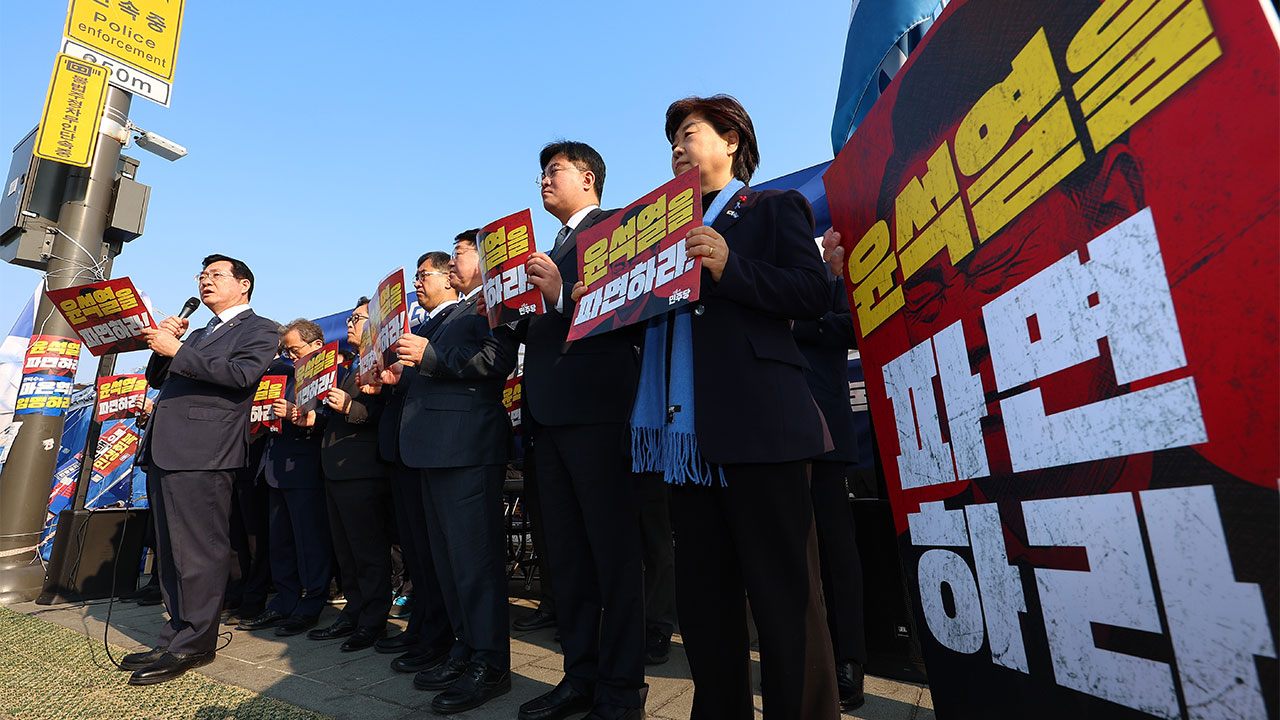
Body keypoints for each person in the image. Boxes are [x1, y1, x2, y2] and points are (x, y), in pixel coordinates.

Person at [599, 95, 839, 717]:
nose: (677, 146)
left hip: (765, 431)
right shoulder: (656, 237)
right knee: (706, 607)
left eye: (689, 132)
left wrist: (732, 267)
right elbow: (638, 325)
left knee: (787, 603)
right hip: (686, 444)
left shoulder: (773, 209)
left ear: (731, 141)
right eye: (672, 139)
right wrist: (595, 300)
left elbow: (814, 291)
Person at [513, 141, 647, 720]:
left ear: (587, 178)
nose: (544, 180)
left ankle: (621, 691)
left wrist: (559, 295)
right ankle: (578, 676)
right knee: (565, 558)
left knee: (612, 556)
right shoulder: (550, 247)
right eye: (542, 173)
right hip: (547, 418)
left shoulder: (621, 229)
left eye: (555, 171)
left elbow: (628, 306)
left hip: (598, 412)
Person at [124, 254, 278, 685]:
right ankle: (174, 633)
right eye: (202, 276)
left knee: (199, 552)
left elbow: (242, 375)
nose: (205, 282)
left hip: (205, 453)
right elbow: (160, 379)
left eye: (215, 275)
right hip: (167, 449)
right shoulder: (203, 329)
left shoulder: (260, 328)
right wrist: (168, 344)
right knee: (172, 553)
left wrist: (181, 350)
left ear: (243, 285)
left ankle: (195, 644)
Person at [384, 230, 518, 714]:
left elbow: (495, 361)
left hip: (466, 448)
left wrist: (431, 357)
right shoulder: (454, 311)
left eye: (459, 252)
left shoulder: (497, 303)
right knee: (447, 563)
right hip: (432, 450)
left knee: (475, 563)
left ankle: (491, 664)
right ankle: (464, 650)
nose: (454, 259)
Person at [287, 299, 393, 652]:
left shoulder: (383, 361)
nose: (350, 324)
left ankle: (374, 620)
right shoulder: (349, 365)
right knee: (346, 552)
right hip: (333, 468)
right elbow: (336, 416)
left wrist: (350, 407)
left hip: (363, 470)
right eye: (349, 318)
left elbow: (385, 414)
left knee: (368, 551)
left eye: (357, 319)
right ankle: (354, 611)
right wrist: (314, 419)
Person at [373, 251, 459, 671]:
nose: (419, 283)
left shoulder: (455, 318)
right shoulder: (420, 327)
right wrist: (392, 378)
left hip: (436, 446)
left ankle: (437, 633)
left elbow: (445, 374)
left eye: (425, 275)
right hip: (404, 447)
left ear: (448, 278)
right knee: (416, 550)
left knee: (432, 550)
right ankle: (421, 626)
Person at [793, 276, 868, 710]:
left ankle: (849, 661)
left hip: (825, 431)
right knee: (792, 553)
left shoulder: (828, 276)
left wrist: (795, 324)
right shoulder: (758, 275)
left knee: (837, 550)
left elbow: (850, 328)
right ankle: (806, 656)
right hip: (775, 431)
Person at [237, 321, 331, 638]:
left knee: (310, 543)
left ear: (316, 345)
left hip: (304, 468)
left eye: (295, 350)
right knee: (280, 544)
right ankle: (283, 602)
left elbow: (328, 420)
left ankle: (311, 604)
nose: (290, 356)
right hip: (274, 467)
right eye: (286, 351)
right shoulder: (282, 375)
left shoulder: (325, 375)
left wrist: (297, 415)